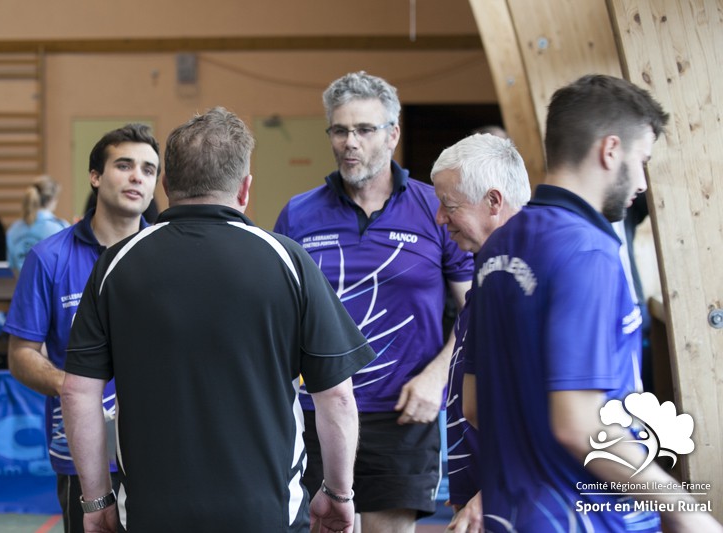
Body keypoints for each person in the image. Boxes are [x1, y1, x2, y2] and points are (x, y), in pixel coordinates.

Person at [61, 107, 376, 533]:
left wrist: (97, 500)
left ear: (166, 185)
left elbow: (78, 392)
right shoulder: (288, 261)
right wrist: (339, 493)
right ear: (245, 188)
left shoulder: (116, 265)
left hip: (153, 515)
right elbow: (336, 397)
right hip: (267, 515)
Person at [462, 75, 722, 531]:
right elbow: (579, 426)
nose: (642, 182)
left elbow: (475, 405)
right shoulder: (588, 251)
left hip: (514, 514)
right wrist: (685, 511)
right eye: (642, 162)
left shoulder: (500, 244)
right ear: (610, 150)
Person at [274, 71, 473, 533]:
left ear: (392, 134)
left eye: (364, 129)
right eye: (340, 130)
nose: (350, 142)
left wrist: (438, 376)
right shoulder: (299, 214)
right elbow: (277, 314)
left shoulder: (433, 208)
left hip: (402, 411)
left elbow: (475, 308)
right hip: (318, 410)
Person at [3, 123, 160, 533]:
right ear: (95, 176)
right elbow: (21, 355)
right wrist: (75, 391)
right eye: (123, 165)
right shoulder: (48, 258)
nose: (137, 177)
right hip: (85, 454)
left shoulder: (170, 256)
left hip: (162, 448)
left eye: (148, 169)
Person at [428, 133, 531, 532]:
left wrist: (493, 493)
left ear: (493, 201)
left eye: (450, 206)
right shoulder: (491, 271)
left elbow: (550, 411)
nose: (440, 218)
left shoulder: (522, 279)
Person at [6, 175, 70, 274]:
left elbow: (14, 267)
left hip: (22, 283)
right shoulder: (62, 228)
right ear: (52, 199)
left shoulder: (13, 229)